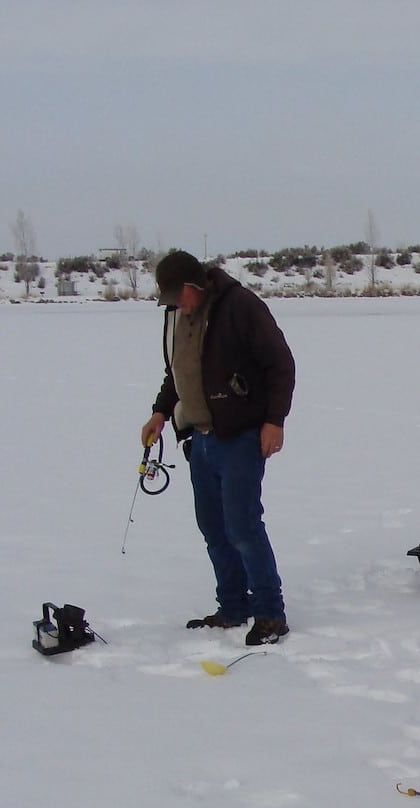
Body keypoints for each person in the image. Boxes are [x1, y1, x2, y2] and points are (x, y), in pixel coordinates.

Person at [141, 250, 296, 646]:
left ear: (193, 286)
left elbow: (281, 363)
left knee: (242, 526)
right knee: (213, 529)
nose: (174, 304)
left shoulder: (240, 306)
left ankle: (269, 614)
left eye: (177, 296)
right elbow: (179, 371)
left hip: (241, 435)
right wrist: (160, 413)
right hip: (200, 438)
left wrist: (274, 421)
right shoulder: (179, 316)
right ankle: (232, 607)